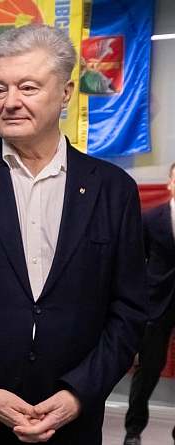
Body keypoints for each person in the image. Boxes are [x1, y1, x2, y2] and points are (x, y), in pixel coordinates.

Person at [0, 24, 146, 444]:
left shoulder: (113, 190)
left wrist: (78, 394)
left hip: (70, 424)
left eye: (28, 87)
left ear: (66, 92)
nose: (11, 102)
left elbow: (129, 312)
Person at [124, 163, 175, 445]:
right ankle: (133, 431)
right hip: (157, 306)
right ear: (170, 183)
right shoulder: (152, 219)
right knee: (148, 370)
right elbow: (135, 262)